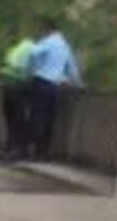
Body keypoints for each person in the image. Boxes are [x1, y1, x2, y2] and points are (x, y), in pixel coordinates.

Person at [25, 15, 82, 161]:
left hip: (41, 82)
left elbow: (32, 54)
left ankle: (30, 150)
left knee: (36, 116)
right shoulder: (64, 44)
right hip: (55, 87)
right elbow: (72, 67)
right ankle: (43, 152)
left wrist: (31, 70)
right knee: (50, 119)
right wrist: (78, 83)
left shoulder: (47, 42)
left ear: (46, 29)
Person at [0, 26, 36, 162]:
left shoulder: (18, 49)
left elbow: (9, 67)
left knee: (12, 120)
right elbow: (29, 70)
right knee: (18, 120)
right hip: (18, 87)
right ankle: (15, 150)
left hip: (11, 87)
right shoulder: (29, 48)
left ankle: (10, 149)